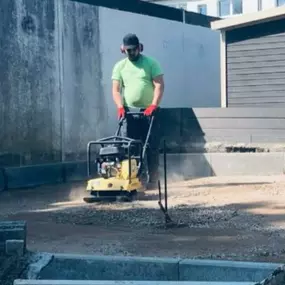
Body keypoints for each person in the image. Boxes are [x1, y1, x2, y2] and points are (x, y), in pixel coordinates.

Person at [111, 33, 165, 188]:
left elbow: (159, 85)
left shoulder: (151, 63)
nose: (132, 53)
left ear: (140, 48)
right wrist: (120, 106)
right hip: (128, 112)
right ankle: (133, 178)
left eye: (134, 50)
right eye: (129, 50)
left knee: (151, 146)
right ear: (123, 50)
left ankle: (153, 179)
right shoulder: (120, 66)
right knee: (129, 146)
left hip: (149, 112)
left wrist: (154, 104)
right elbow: (115, 90)